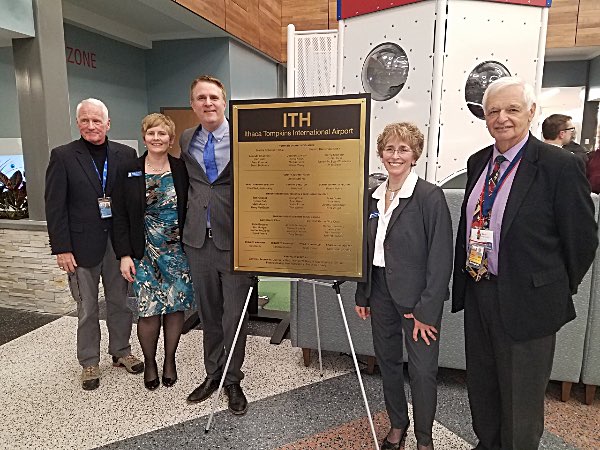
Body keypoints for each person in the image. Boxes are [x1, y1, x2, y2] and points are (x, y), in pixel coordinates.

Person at [452, 77, 598, 450]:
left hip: (529, 301)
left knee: (521, 400)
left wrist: (551, 287)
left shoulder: (558, 165)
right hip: (480, 289)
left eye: (512, 109)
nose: (502, 118)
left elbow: (582, 239)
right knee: (483, 386)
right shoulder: (478, 161)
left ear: (532, 112)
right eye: (493, 111)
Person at [355, 122, 453, 450]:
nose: (395, 155)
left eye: (404, 149)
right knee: (388, 363)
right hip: (380, 290)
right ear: (381, 153)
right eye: (390, 149)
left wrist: (427, 309)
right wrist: (363, 292)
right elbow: (366, 250)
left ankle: (424, 440)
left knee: (423, 372)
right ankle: (398, 423)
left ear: (415, 155)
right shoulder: (372, 196)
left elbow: (441, 258)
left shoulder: (429, 196)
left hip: (418, 299)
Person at [45, 98, 143, 390]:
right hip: (79, 246)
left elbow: (132, 201)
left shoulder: (127, 154)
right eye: (85, 120)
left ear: (107, 123)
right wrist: (62, 248)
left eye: (96, 120)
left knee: (121, 302)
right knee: (87, 307)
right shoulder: (62, 156)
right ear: (78, 123)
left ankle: (121, 352)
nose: (91, 126)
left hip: (118, 244)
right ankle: (89, 361)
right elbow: (54, 206)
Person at [180, 75, 253, 415]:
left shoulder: (244, 137)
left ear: (224, 102)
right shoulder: (185, 139)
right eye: (201, 98)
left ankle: (233, 379)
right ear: (193, 104)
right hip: (198, 241)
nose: (208, 103)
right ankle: (213, 373)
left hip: (236, 240)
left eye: (213, 97)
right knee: (208, 313)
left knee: (233, 317)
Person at [112, 113, 194, 390]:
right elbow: (120, 216)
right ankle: (150, 362)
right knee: (148, 312)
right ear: (144, 137)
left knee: (174, 308)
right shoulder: (129, 170)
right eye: (151, 133)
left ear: (171, 140)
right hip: (142, 252)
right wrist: (124, 254)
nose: (156, 139)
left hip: (178, 253)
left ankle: (169, 360)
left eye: (162, 134)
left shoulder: (181, 169)